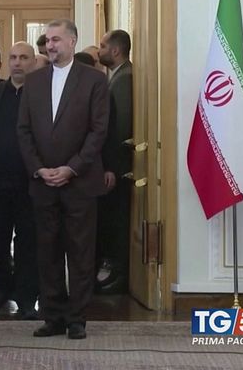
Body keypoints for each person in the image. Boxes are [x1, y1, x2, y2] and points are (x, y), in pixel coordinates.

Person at [17, 19, 109, 340]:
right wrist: (39, 169)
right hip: (42, 183)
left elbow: (98, 131)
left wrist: (72, 168)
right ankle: (52, 315)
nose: (50, 45)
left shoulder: (95, 80)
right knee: (47, 252)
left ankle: (76, 318)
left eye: (56, 39)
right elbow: (23, 130)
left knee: (80, 253)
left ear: (72, 41)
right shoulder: (34, 81)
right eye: (47, 40)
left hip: (80, 182)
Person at [0, 41, 39, 320]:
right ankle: (2, 287)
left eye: (23, 57)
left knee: (28, 242)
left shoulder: (42, 94)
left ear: (33, 62)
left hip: (31, 182)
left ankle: (27, 297)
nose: (17, 62)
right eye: (13, 57)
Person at [95, 29, 133, 293]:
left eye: (103, 46)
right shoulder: (116, 76)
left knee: (117, 222)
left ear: (115, 50)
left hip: (119, 166)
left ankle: (120, 274)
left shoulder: (124, 79)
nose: (99, 51)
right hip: (115, 165)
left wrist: (110, 164)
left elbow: (119, 127)